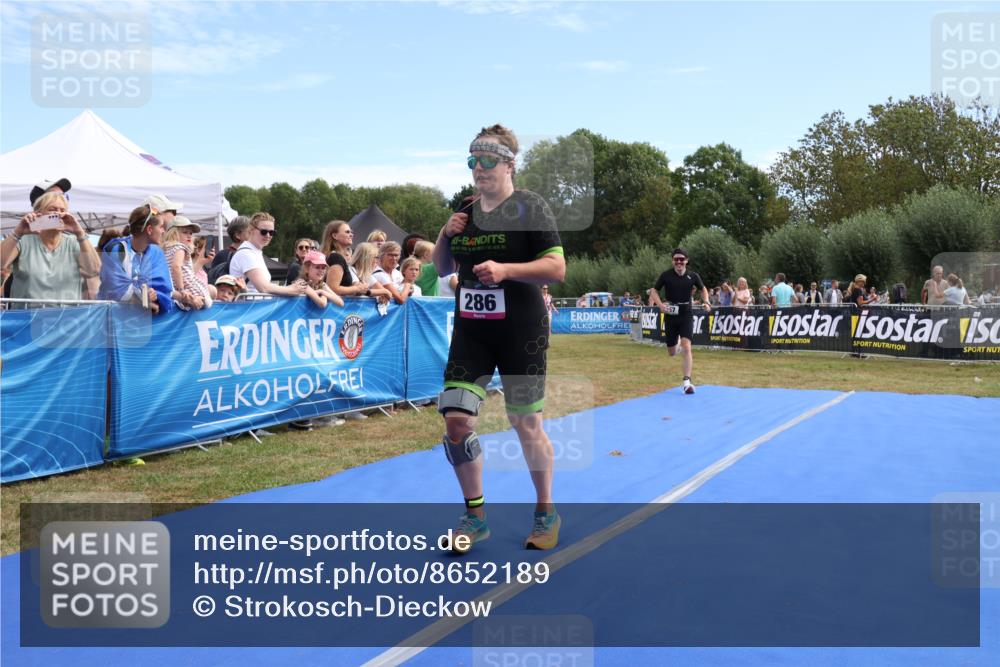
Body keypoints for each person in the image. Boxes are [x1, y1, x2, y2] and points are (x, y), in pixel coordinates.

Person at [431, 123, 566, 553]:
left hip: (520, 332)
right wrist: (444, 234)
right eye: (473, 161)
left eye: (488, 160)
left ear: (509, 164)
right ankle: (475, 517)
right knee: (456, 421)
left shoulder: (531, 207)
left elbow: (557, 269)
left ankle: (546, 511)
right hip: (472, 331)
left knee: (525, 423)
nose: (479, 168)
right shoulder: (464, 208)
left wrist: (508, 271)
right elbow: (441, 267)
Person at [1, 191, 101, 304]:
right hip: (29, 317)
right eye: (52, 209)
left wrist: (80, 233)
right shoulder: (23, 241)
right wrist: (17, 232)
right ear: (37, 213)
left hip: (66, 317)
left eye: (62, 210)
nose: (58, 214)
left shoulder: (75, 242)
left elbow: (93, 270)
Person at [647, 247, 711, 395]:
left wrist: (706, 301)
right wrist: (661, 305)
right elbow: (653, 291)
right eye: (676, 259)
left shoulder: (693, 276)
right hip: (670, 316)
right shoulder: (666, 276)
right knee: (671, 352)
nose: (679, 262)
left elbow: (703, 289)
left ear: (687, 261)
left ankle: (687, 382)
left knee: (687, 346)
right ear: (672, 261)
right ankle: (676, 346)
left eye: (682, 259)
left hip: (686, 314)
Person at [98, 204, 177, 314]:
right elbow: (114, 288)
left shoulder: (156, 253)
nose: (163, 231)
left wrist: (154, 295)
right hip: (111, 320)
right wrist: (143, 299)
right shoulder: (117, 250)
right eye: (161, 227)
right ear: (149, 229)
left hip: (142, 323)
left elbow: (163, 288)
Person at [228, 212, 306, 297]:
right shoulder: (246, 254)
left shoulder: (254, 252)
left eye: (272, 232)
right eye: (264, 232)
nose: (268, 235)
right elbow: (263, 287)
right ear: (251, 230)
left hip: (257, 306)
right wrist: (292, 289)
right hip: (250, 307)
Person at [162, 216, 213, 309]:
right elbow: (176, 267)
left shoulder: (166, 249)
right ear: (173, 234)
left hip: (174, 285)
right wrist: (182, 289)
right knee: (205, 301)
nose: (189, 235)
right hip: (187, 286)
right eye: (185, 232)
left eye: (191, 233)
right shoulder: (180, 247)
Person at [321, 220, 371, 299]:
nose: (351, 235)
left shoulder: (334, 256)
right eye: (347, 232)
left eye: (351, 232)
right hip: (333, 308)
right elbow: (332, 288)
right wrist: (357, 288)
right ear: (335, 235)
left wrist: (355, 286)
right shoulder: (336, 258)